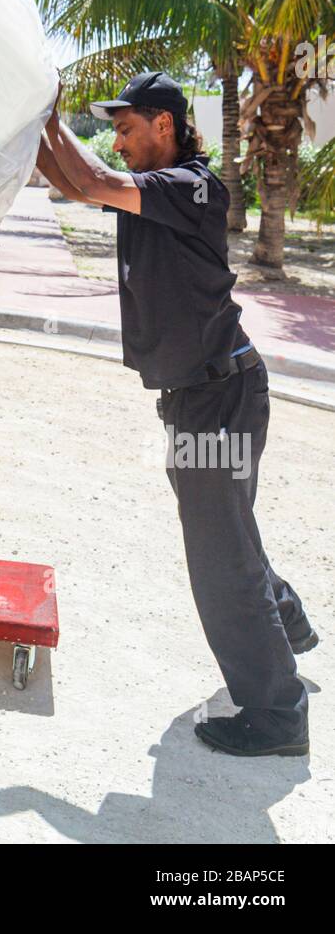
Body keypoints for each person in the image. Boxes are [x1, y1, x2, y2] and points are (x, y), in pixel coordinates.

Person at [37, 69, 316, 757]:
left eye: (128, 129)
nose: (119, 141)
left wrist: (44, 113)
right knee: (227, 528)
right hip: (203, 396)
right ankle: (288, 626)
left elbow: (91, 180)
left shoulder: (191, 187)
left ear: (165, 124)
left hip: (219, 397)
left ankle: (278, 716)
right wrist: (28, 126)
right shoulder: (152, 196)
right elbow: (73, 181)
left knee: (219, 555)